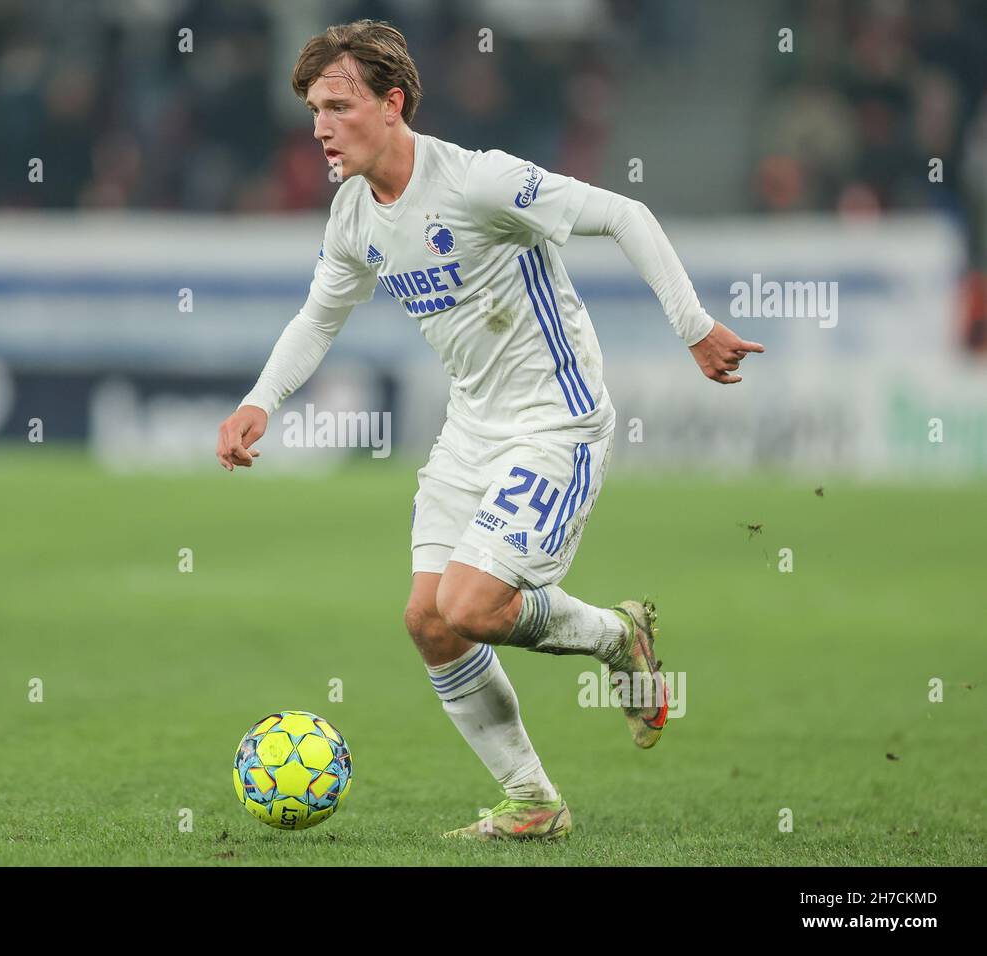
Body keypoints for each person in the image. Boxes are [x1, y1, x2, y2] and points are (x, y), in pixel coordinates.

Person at [215, 20, 764, 840]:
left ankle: (619, 637)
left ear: (392, 103)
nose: (320, 127)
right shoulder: (353, 215)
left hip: (557, 422)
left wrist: (694, 326)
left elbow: (625, 212)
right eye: (312, 110)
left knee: (470, 605)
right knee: (427, 619)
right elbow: (319, 315)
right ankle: (534, 802)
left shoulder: (480, 183)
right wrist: (261, 399)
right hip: (471, 430)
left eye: (338, 105)